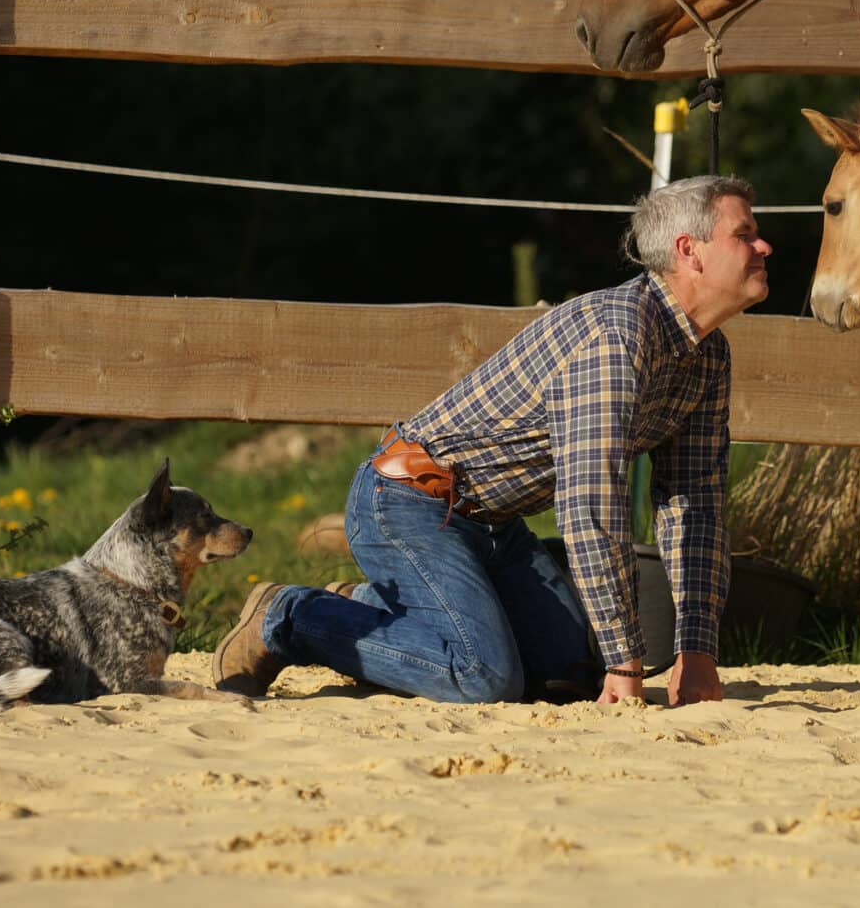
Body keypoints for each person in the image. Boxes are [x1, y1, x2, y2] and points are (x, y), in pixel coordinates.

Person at [213, 175, 772, 707]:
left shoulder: (709, 354)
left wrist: (697, 650)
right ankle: (290, 616)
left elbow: (695, 503)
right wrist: (626, 664)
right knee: (483, 676)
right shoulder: (616, 336)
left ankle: (378, 607)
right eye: (744, 234)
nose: (764, 246)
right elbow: (590, 503)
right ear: (689, 250)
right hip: (412, 502)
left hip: (496, 526)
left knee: (569, 677)